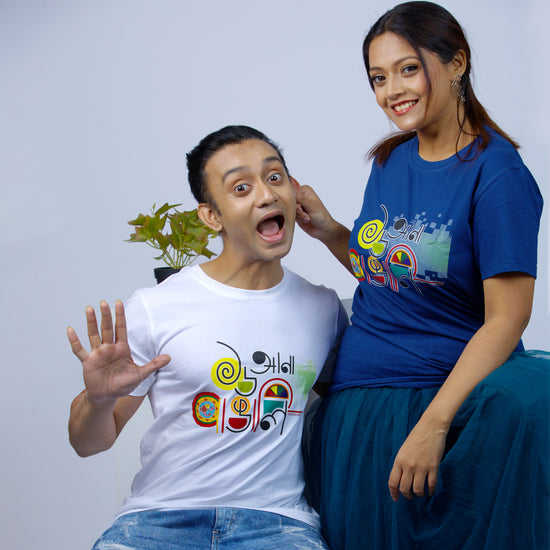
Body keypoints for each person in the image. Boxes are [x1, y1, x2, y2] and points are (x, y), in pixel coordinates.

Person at [296, 2, 548, 549]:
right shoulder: (389, 161)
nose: (392, 91)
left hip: (436, 405)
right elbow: (385, 272)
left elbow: (509, 318)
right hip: (356, 407)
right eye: (378, 78)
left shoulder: (497, 173)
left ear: (457, 63)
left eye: (407, 69)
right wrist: (331, 230)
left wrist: (433, 425)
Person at [67, 125, 348, 550]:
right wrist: (99, 398)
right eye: (241, 187)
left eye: (275, 178)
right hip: (156, 523)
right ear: (211, 216)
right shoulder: (155, 306)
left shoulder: (323, 309)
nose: (266, 195)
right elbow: (87, 444)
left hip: (276, 527)